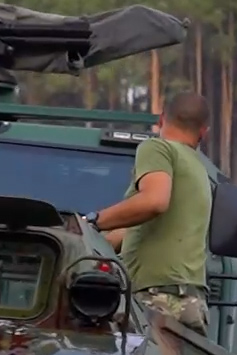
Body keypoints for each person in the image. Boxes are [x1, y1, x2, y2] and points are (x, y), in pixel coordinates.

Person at [84, 91, 213, 334]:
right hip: (190, 303)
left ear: (161, 119)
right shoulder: (199, 169)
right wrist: (87, 240)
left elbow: (154, 202)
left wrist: (94, 221)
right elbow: (137, 229)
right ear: (203, 132)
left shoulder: (157, 148)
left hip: (156, 300)